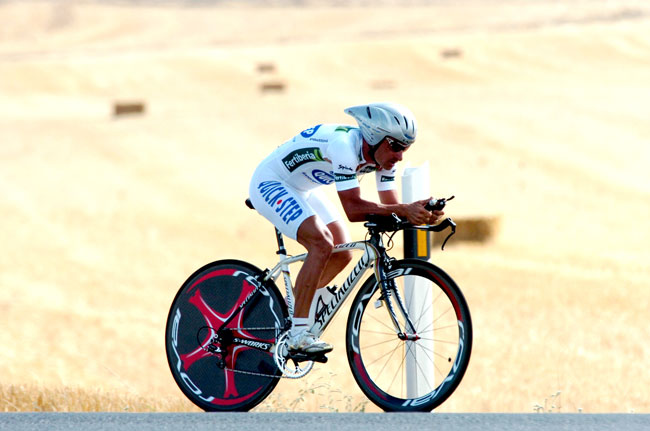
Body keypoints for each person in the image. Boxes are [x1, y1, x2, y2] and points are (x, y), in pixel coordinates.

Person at [248, 102, 444, 355]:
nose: (400, 156)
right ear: (374, 137)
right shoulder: (344, 147)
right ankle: (298, 333)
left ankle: (292, 311)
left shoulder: (383, 156)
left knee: (342, 252)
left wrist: (419, 211)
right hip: (271, 182)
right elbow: (353, 210)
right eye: (395, 147)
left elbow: (391, 206)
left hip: (303, 188)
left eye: (405, 148)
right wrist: (405, 210)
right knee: (321, 243)